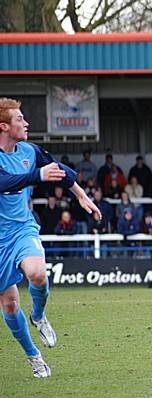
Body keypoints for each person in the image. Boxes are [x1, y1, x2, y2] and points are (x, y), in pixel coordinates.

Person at [0, 98, 101, 377]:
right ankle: (34, 357)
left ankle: (38, 315)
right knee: (9, 304)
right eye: (20, 118)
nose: (26, 123)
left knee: (38, 274)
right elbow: (4, 182)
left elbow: (62, 172)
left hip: (22, 229)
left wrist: (82, 196)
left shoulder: (30, 151)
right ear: (4, 126)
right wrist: (37, 175)